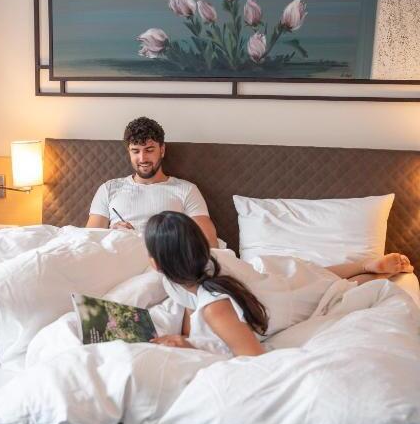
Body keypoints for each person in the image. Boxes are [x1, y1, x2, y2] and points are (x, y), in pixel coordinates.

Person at [145, 211, 414, 357]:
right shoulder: (208, 261)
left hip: (278, 302)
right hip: (272, 278)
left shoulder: (216, 308)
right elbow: (191, 303)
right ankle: (365, 265)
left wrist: (192, 345)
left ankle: (372, 271)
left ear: (156, 263)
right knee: (319, 278)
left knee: (334, 291)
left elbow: (252, 356)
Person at [85, 116, 219, 247]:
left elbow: (210, 243)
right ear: (129, 152)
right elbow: (88, 242)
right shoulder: (108, 189)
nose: (142, 158)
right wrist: (111, 234)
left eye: (149, 150)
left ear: (162, 150)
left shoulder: (187, 190)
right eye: (135, 151)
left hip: (166, 257)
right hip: (121, 253)